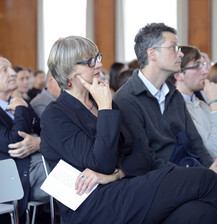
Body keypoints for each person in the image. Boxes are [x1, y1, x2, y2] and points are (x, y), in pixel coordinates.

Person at [40, 35, 217, 224]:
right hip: (95, 204)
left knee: (201, 213)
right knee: (205, 178)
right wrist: (105, 108)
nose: (99, 65)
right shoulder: (56, 115)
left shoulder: (102, 104)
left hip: (127, 187)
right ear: (69, 72)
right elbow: (100, 163)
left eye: (98, 58)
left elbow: (142, 157)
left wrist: (114, 175)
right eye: (90, 62)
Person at [113, 23, 217, 170]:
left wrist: (211, 170)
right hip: (160, 179)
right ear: (152, 54)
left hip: (188, 171)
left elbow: (196, 143)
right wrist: (200, 176)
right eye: (173, 47)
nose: (180, 54)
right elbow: (146, 159)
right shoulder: (126, 99)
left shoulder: (173, 94)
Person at [0, 56, 48, 223]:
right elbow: (13, 142)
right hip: (16, 178)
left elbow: (42, 130)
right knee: (77, 179)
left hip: (34, 166)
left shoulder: (19, 101)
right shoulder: (20, 104)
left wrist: (22, 106)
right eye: (5, 70)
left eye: (11, 68)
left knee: (80, 178)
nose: (12, 73)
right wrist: (21, 109)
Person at [172, 45, 217, 158]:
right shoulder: (178, 108)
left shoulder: (200, 104)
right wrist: (214, 102)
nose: (204, 71)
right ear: (178, 74)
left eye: (203, 65)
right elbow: (212, 151)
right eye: (197, 66)